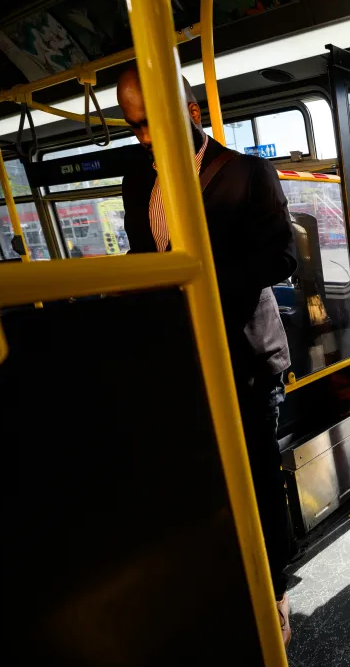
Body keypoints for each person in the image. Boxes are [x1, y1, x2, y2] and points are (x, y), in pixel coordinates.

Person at [116, 67, 298, 646]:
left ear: (191, 112)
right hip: (183, 353)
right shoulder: (134, 177)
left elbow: (282, 260)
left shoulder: (246, 172)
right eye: (135, 126)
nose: (146, 137)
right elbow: (142, 251)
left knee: (256, 474)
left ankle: (274, 591)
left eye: (155, 122)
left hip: (243, 352)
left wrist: (196, 279)